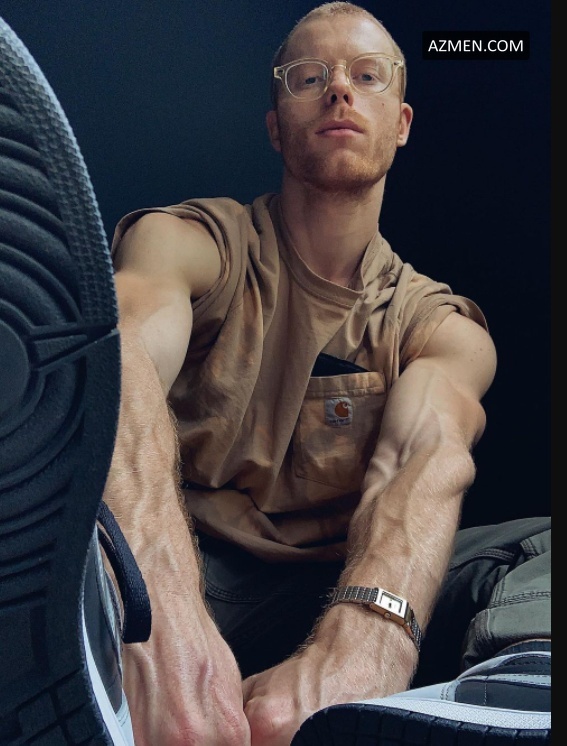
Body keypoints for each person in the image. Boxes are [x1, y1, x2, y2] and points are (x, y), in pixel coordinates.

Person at [0, 3, 550, 746]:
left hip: (340, 587)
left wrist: (364, 647)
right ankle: (110, 684)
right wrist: (164, 608)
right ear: (274, 126)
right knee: (51, 548)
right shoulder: (191, 244)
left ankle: (494, 693)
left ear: (401, 123)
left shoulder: (441, 326)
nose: (339, 89)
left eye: (367, 76)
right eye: (308, 77)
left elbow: (423, 458)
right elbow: (117, 360)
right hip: (185, 572)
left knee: (543, 548)